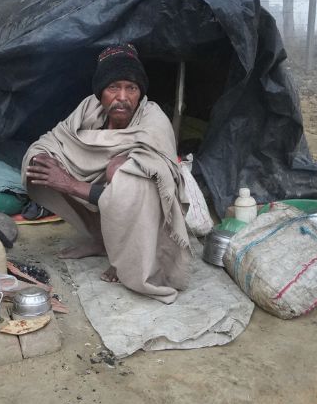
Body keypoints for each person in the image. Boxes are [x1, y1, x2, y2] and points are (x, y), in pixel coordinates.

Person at [21, 44, 191, 304]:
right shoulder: (90, 109)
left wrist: (71, 184)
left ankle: (128, 257)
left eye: (131, 88)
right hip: (105, 192)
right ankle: (102, 240)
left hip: (151, 206)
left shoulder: (153, 119)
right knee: (41, 163)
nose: (122, 97)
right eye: (113, 88)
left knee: (126, 177)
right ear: (101, 92)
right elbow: (53, 139)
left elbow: (159, 176)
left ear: (140, 93)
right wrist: (44, 158)